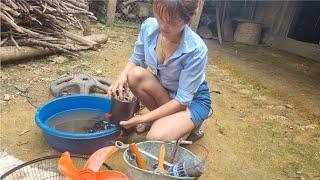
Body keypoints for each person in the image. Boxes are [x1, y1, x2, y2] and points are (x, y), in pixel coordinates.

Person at [108, 0, 211, 141]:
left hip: (190, 101)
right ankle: (165, 123)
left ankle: (191, 124)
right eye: (160, 16)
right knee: (133, 75)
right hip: (167, 92)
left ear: (188, 19)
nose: (163, 26)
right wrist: (121, 77)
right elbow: (136, 59)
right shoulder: (149, 27)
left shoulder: (196, 50)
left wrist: (143, 118)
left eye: (172, 22)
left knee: (155, 137)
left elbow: (182, 101)